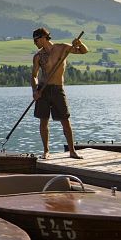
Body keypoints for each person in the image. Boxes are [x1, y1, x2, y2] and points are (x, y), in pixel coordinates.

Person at [30, 27, 88, 159]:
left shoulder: (63, 48)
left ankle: (72, 151)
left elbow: (84, 51)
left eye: (36, 40)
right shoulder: (38, 56)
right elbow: (33, 75)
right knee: (43, 121)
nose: (35, 43)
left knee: (65, 121)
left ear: (44, 37)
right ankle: (46, 151)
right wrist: (35, 91)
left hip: (57, 89)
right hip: (42, 90)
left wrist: (79, 44)